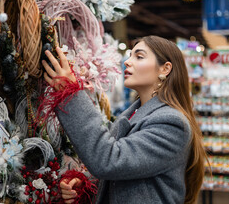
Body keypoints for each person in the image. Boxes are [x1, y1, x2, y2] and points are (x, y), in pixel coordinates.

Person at [42, 35, 206, 204]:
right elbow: (128, 176)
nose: (127, 62)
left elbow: (108, 159)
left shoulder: (171, 123)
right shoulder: (133, 114)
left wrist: (71, 95)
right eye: (130, 55)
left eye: (139, 56)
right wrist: (88, 187)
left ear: (165, 69)